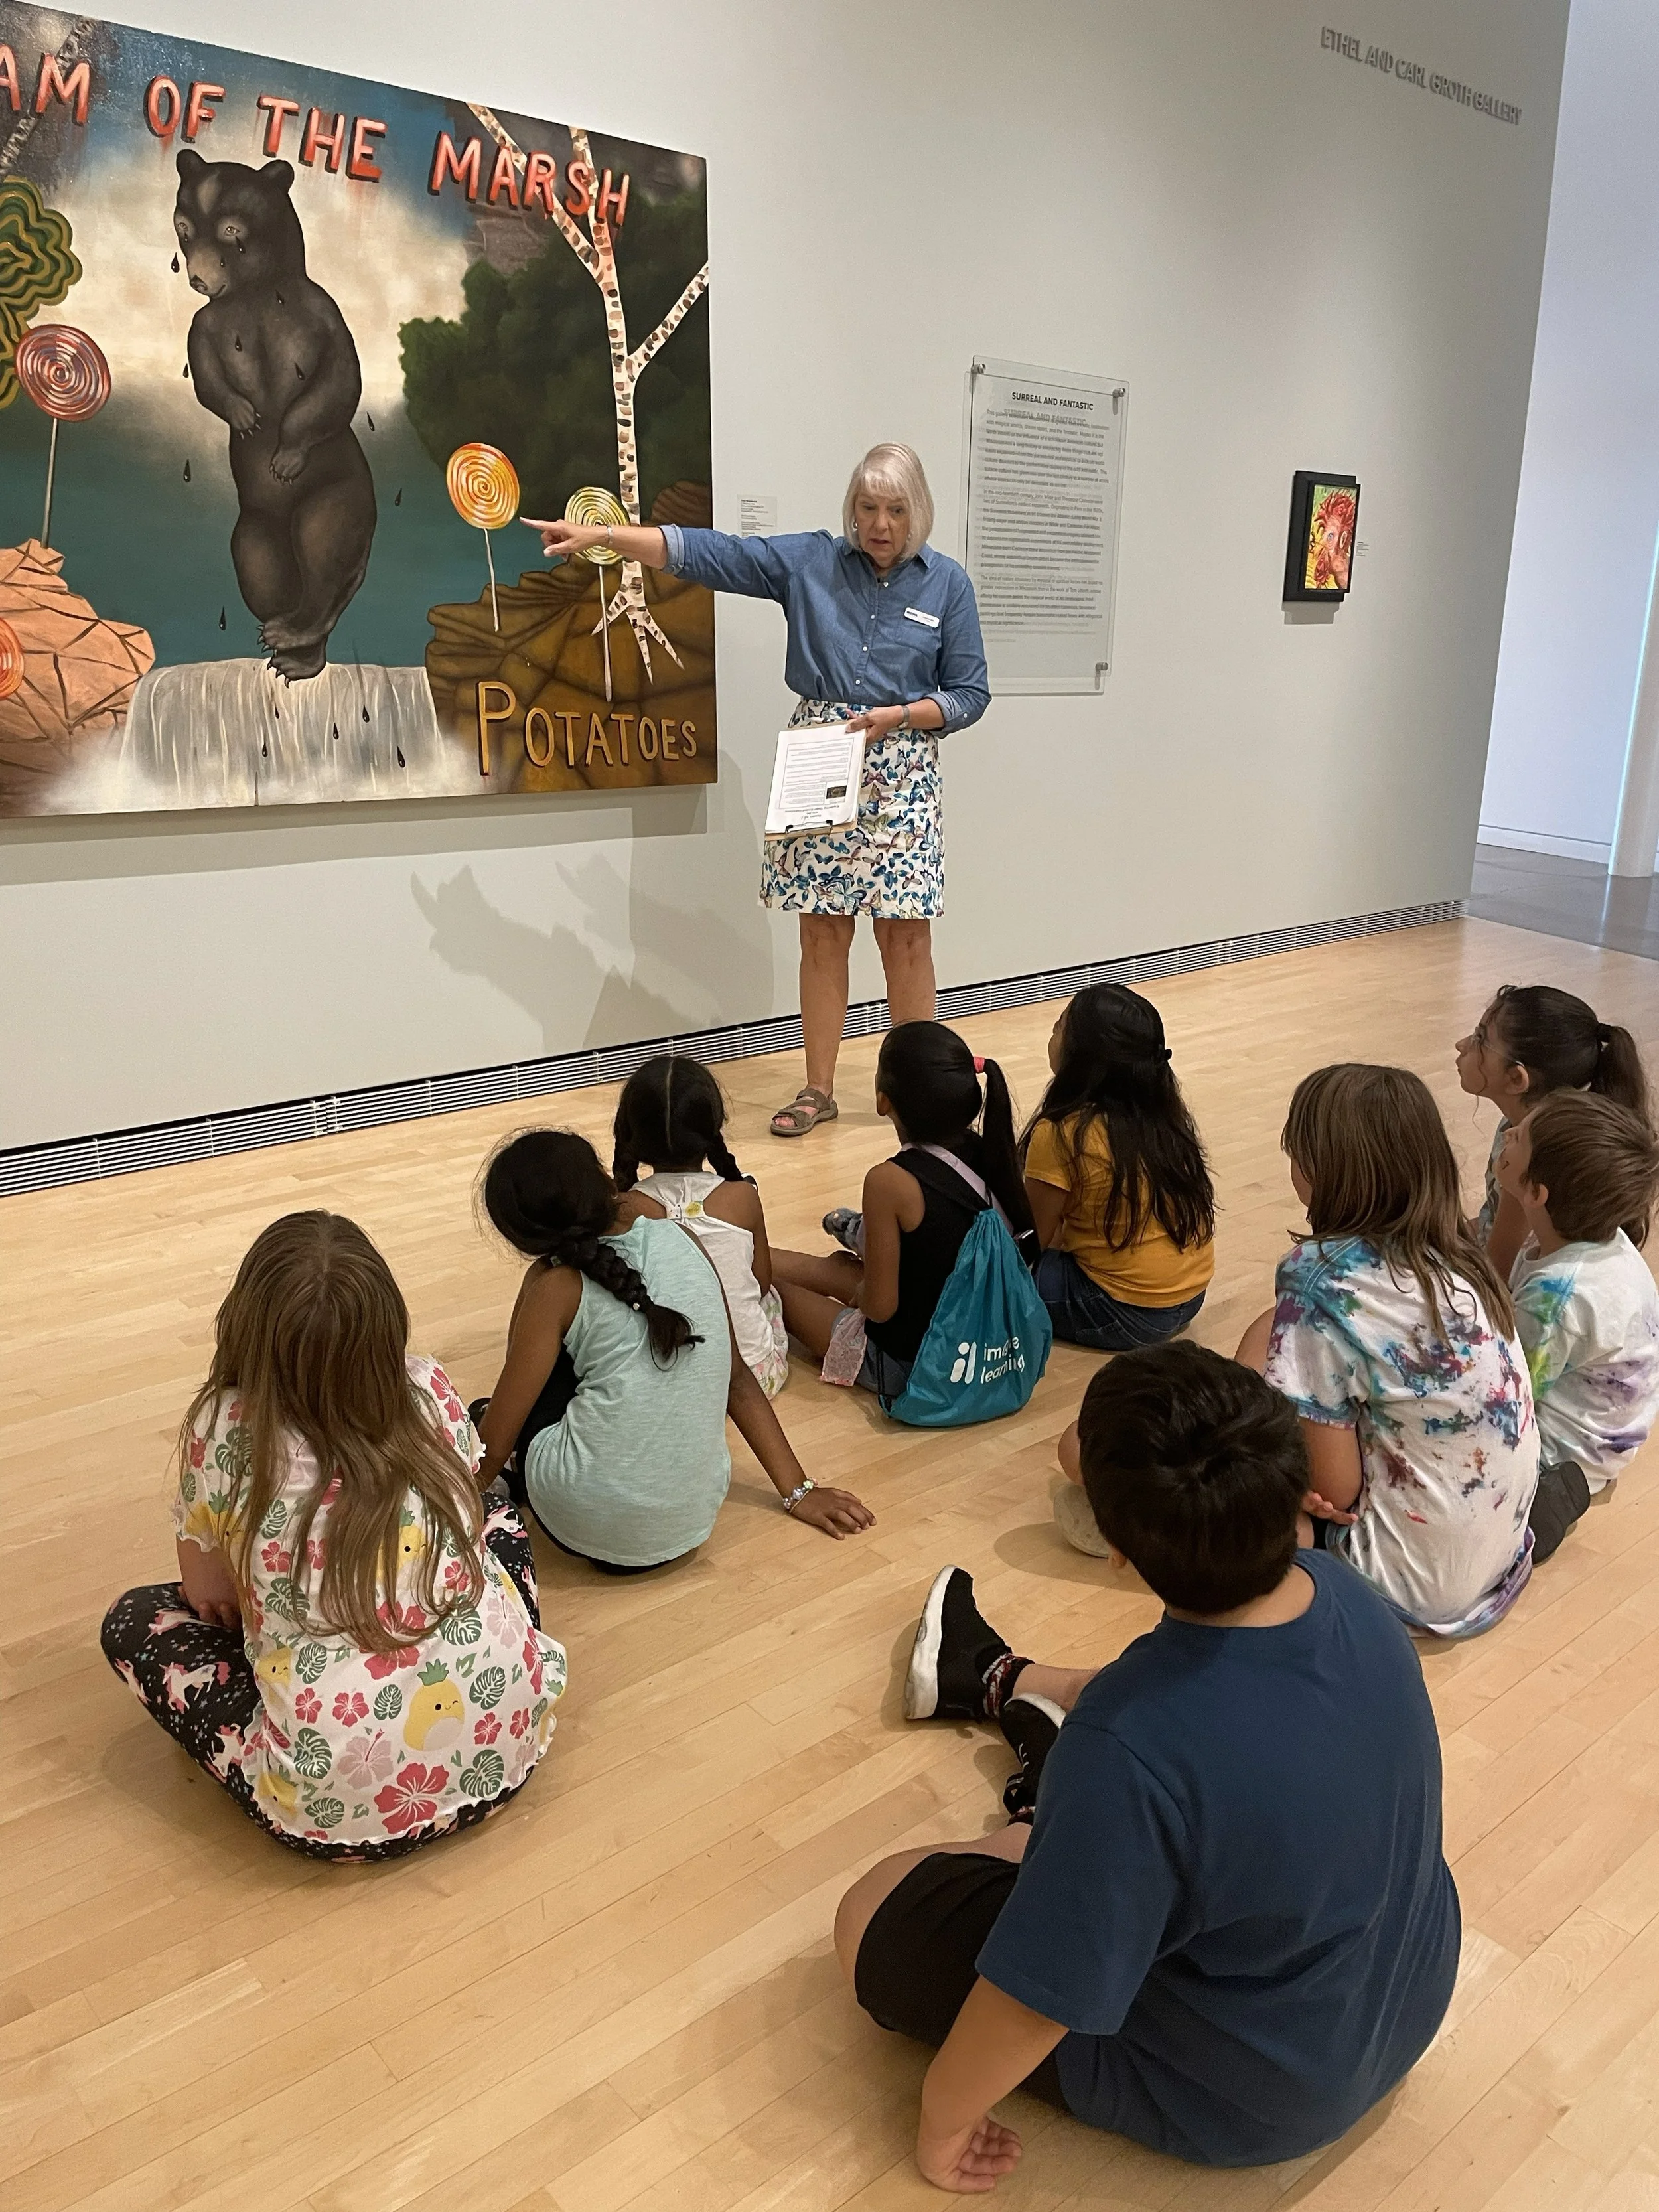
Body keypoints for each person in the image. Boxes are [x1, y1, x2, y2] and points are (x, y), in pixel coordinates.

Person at [837, 1344, 1460, 2185]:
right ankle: (1009, 1696)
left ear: (1118, 1551)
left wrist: (942, 2120)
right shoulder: (1347, 1595)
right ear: (1293, 1495)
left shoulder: (1128, 1748)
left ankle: (1031, 1800)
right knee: (1130, 1754)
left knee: (873, 1904)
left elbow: (1033, 2005)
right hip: (1405, 1994)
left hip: (1259, 2095)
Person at [528, 444, 989, 1138]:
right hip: (820, 757)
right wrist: (606, 536)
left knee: (906, 940)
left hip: (900, 767)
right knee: (821, 932)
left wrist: (902, 716)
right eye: (867, 508)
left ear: (916, 511)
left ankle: (915, 1090)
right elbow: (708, 553)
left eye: (894, 510)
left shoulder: (947, 585)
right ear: (852, 508)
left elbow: (970, 693)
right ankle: (818, 1088)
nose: (880, 524)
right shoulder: (811, 560)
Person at [100, 1212, 565, 1861]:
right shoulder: (428, 1386)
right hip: (506, 1744)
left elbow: (205, 1593)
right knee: (500, 1522)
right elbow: (465, 1501)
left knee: (134, 1620)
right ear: (386, 1321)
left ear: (244, 1321)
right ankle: (490, 1657)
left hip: (334, 1809)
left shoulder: (223, 1429)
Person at [476, 1129, 872, 1568]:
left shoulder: (552, 1287)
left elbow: (493, 1445)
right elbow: (737, 1379)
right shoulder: (685, 1238)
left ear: (526, 1238)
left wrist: (449, 1502)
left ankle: (524, 1477)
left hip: (583, 1521)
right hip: (692, 1520)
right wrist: (799, 1491)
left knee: (514, 1395)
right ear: (606, 1184)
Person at [1238, 1063, 1539, 1637]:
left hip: (1398, 1586)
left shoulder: (1319, 1280)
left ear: (1318, 1172)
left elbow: (1335, 1489)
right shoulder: (1460, 1252)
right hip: (1500, 1561)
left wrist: (1289, 1471)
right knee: (1271, 1330)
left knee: (1255, 1472)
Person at [770, 1021, 1035, 1404]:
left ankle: (733, 1255)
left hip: (918, 1366)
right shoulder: (990, 1151)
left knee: (781, 1293)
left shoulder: (888, 1182)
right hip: (994, 1338)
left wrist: (861, 1292)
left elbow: (880, 1308)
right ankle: (740, 1250)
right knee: (838, 1266)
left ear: (883, 1101)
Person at [1496, 1090, 1659, 1561]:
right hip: (1606, 1431)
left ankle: (1544, 1507)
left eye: (1519, 1136)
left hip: (1567, 1455)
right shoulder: (1600, 1240)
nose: (1507, 1135)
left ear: (1536, 1192)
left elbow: (1508, 1391)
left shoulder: (1559, 1296)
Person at [1020, 983, 1215, 1351]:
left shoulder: (1062, 1132)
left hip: (1123, 1311)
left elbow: (1032, 1241)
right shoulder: (1165, 1115)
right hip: (1191, 1297)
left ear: (1084, 1057)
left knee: (989, 1276)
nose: (1053, 1031)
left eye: (1061, 1024)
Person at [611, 1052, 789, 1396]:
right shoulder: (743, 1197)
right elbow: (762, 1280)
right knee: (769, 1297)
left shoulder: (623, 1209)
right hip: (756, 1377)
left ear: (630, 1133)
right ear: (714, 1127)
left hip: (666, 1387)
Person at [1455, 982, 1650, 1274]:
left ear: (1516, 1079)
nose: (1462, 1044)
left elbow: (1499, 1268)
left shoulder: (1531, 1156)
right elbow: (1493, 1222)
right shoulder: (1518, 1126)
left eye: (1480, 1039)